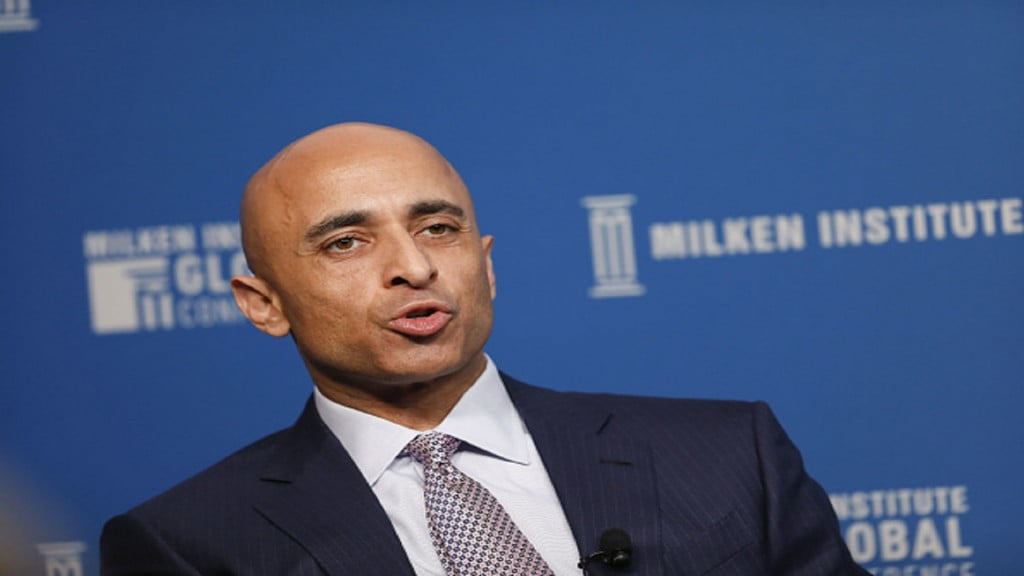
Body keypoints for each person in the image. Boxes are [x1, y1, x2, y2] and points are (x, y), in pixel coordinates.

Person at [100, 123, 868, 575]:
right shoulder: (190, 544)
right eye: (346, 242)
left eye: (439, 229)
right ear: (264, 305)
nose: (414, 266)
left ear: (487, 265)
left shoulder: (730, 455)